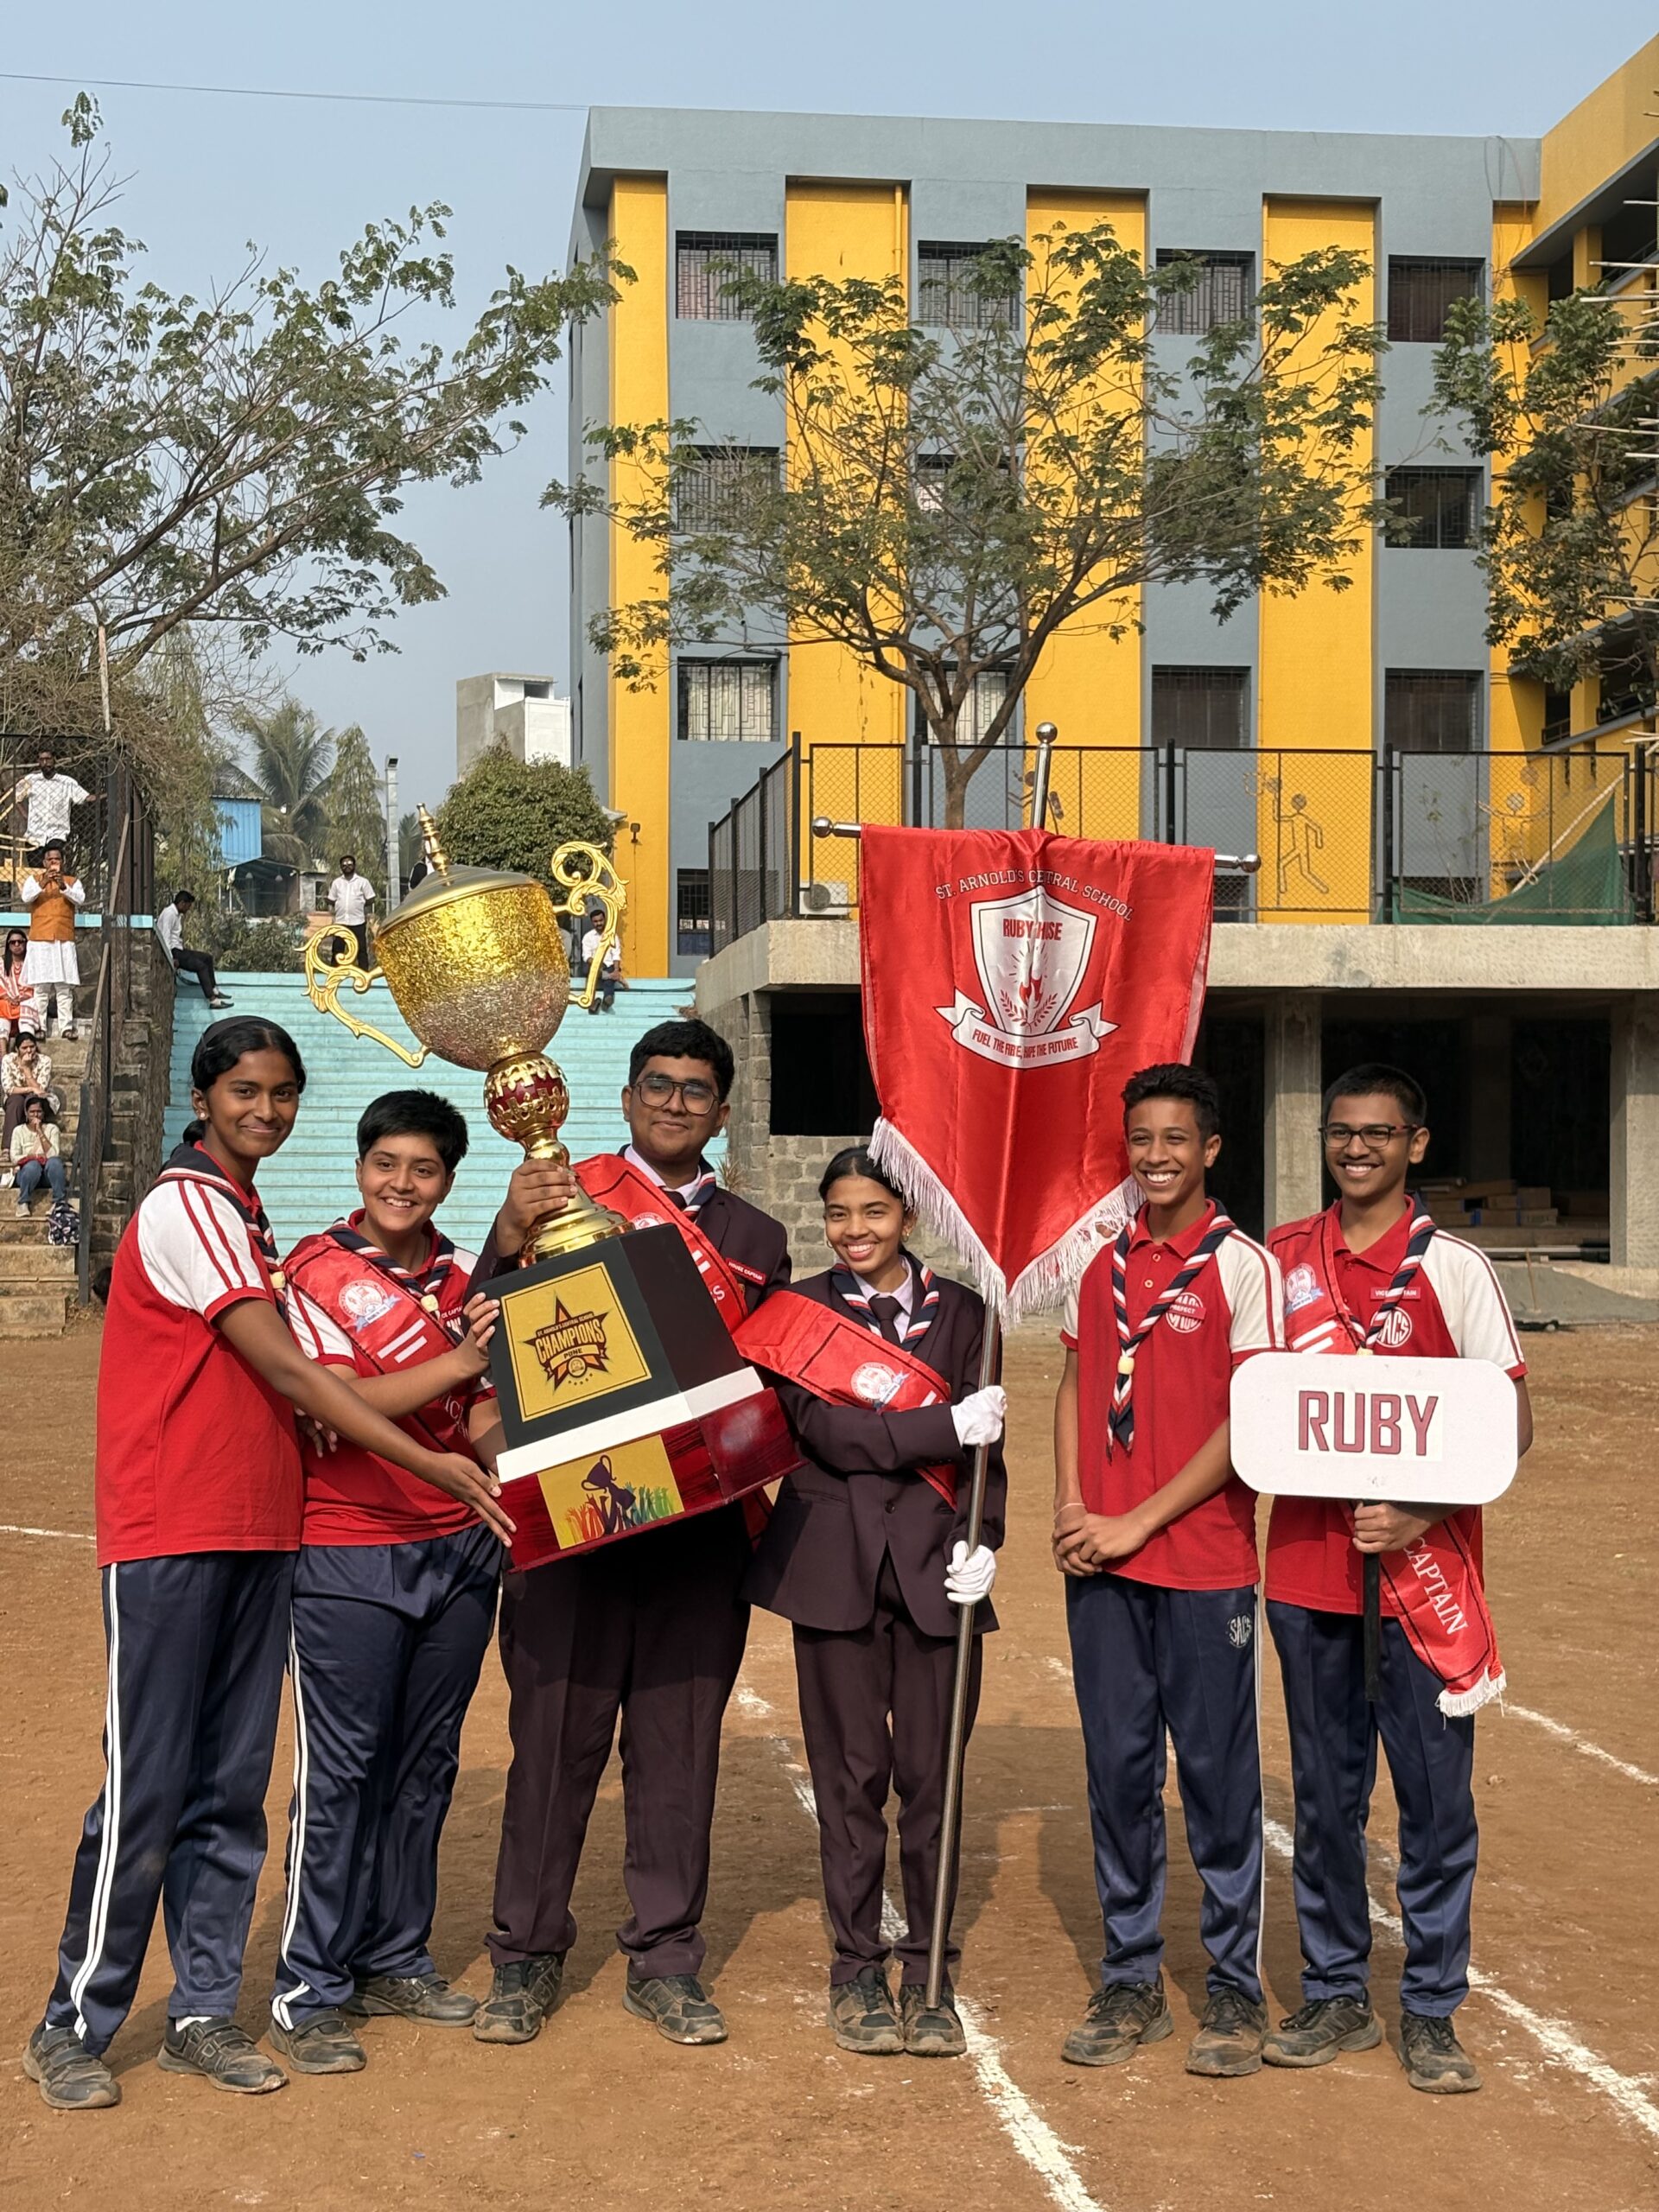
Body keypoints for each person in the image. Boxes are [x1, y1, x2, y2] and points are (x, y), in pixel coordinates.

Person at [22, 1017, 512, 2113]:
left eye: (284, 1092)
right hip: (171, 1528)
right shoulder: (189, 1202)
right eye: (246, 1090)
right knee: (148, 1784)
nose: (268, 1110)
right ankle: (72, 2024)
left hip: (261, 1529)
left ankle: (201, 2012)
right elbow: (292, 1372)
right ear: (203, 1096)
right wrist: (430, 1455)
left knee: (231, 1789)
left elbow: (299, 1388)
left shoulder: (249, 1217)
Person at [467, 1016, 791, 2050]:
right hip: (578, 1514)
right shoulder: (557, 1195)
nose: (673, 1102)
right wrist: (512, 1230)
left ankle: (666, 1956)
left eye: (695, 1089)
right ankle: (525, 1953)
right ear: (626, 1097)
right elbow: (482, 1327)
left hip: (697, 1529)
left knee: (678, 1747)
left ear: (722, 1112)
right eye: (657, 1083)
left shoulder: (756, 1238)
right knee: (551, 1742)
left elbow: (765, 1377)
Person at [1261, 1064, 1531, 2097]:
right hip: (1307, 1577)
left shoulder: (1456, 1269)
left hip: (1425, 1583)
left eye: (1379, 1132)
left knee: (1434, 1804)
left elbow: (1510, 1421)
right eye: (1342, 1131)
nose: (1357, 1148)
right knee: (1326, 1802)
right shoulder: (1282, 1259)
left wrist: (1420, 1511)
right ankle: (1336, 1991)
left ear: (1416, 1144)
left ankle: (1430, 2007)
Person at [737, 1147, 1005, 2060]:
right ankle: (856, 1968)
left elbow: (988, 1452)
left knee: (934, 1781)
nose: (855, 1230)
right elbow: (827, 1431)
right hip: (834, 1572)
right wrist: (942, 1424)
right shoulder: (800, 1313)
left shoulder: (968, 1313)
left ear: (908, 1217)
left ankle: (929, 1972)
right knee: (851, 1783)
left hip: (938, 1572)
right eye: (839, 1214)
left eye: (875, 1212)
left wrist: (984, 1540)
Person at [1052, 1065, 1284, 2078]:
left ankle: (1233, 1986)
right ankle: (1131, 1977)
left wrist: (1133, 1522)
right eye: (1141, 1139)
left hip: (1201, 1565)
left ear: (1211, 1149)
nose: (1156, 1156)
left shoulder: (1244, 1268)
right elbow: (1075, 1382)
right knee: (1118, 1771)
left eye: (1175, 1139)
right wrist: (1072, 1506)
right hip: (1100, 1562)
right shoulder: (1097, 1261)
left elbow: (1251, 1423)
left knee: (1220, 1776)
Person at [269, 1090, 507, 2075]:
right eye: (386, 1164)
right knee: (343, 1771)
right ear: (359, 1166)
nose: (401, 1184)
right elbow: (335, 1400)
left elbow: (483, 1408)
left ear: (448, 1180)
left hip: (461, 1551)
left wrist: (516, 1470)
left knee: (425, 1765)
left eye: (424, 1169)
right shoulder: (312, 1272)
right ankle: (310, 1984)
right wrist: (456, 1364)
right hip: (349, 1549)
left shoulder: (465, 1278)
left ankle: (395, 1954)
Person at [21, 841, 85, 1038]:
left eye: (57, 859)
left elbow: (80, 899)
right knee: (41, 987)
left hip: (63, 940)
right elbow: (26, 897)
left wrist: (63, 885)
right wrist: (43, 883)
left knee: (64, 987)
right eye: (50, 860)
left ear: (62, 862)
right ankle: (39, 1027)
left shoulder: (72, 882)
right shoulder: (34, 880)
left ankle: (66, 1027)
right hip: (40, 941)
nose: (53, 863)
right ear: (44, 862)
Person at [156, 890, 232, 1009]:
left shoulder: (176, 914)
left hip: (179, 949)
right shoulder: (169, 914)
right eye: (188, 906)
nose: (188, 909)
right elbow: (165, 938)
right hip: (174, 952)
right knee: (201, 967)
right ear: (182, 903)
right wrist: (171, 959)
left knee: (207, 958)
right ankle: (213, 1000)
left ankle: (214, 990)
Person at [13, 745, 91, 852]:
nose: (45, 763)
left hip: (57, 835)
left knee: (53, 860)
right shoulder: (31, 780)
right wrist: (26, 815)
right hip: (34, 835)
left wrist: (106, 795)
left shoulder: (67, 782)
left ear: (54, 759)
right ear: (38, 761)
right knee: (35, 862)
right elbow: (16, 796)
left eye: (48, 759)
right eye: (42, 760)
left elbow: (85, 797)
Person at [2, 1031, 61, 1150]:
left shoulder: (45, 1061)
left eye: (32, 1047)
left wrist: (26, 1069)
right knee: (16, 1101)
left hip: (40, 1098)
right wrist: (30, 1088)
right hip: (16, 1097)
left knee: (33, 1101)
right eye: (24, 1048)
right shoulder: (8, 1060)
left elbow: (40, 1090)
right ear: (17, 1049)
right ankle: (7, 1148)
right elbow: (9, 1088)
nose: (29, 1051)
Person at [11, 1095, 67, 1216]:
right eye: (32, 1112)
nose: (36, 1115)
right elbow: (14, 1157)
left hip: (47, 1175)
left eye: (39, 1111)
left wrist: (40, 1132)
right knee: (33, 1165)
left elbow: (54, 1154)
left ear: (43, 1113)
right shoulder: (18, 1131)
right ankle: (23, 1203)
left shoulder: (52, 1129)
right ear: (26, 1113)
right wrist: (34, 1157)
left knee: (55, 1162)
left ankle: (59, 1203)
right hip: (27, 1174)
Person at [326, 855, 376, 969]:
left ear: (354, 866)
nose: (347, 866)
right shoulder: (336, 883)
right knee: (337, 949)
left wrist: (359, 905)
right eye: (344, 865)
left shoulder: (363, 882)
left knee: (361, 949)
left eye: (349, 864)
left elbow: (371, 898)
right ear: (341, 867)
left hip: (358, 922)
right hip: (341, 922)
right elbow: (331, 899)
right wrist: (340, 905)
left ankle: (363, 973)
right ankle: (334, 973)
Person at [2, 925, 42, 1048]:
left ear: (26, 944)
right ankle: (2, 1049)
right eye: (13, 942)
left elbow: (38, 986)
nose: (17, 944)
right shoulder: (1, 964)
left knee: (28, 1005)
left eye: (20, 941)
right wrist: (8, 997)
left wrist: (22, 997)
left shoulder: (33, 964)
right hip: (8, 1003)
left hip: (26, 1001)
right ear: (8, 945)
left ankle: (27, 1047)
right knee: (2, 1006)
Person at [581, 905, 621, 1013]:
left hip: (608, 966)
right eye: (596, 921)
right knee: (592, 974)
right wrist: (597, 965)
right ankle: (593, 1001)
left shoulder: (612, 936)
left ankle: (607, 999)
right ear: (592, 922)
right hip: (594, 966)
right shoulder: (588, 937)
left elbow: (616, 955)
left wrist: (616, 970)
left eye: (600, 920)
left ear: (605, 920)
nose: (598, 923)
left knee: (609, 977)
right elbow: (586, 956)